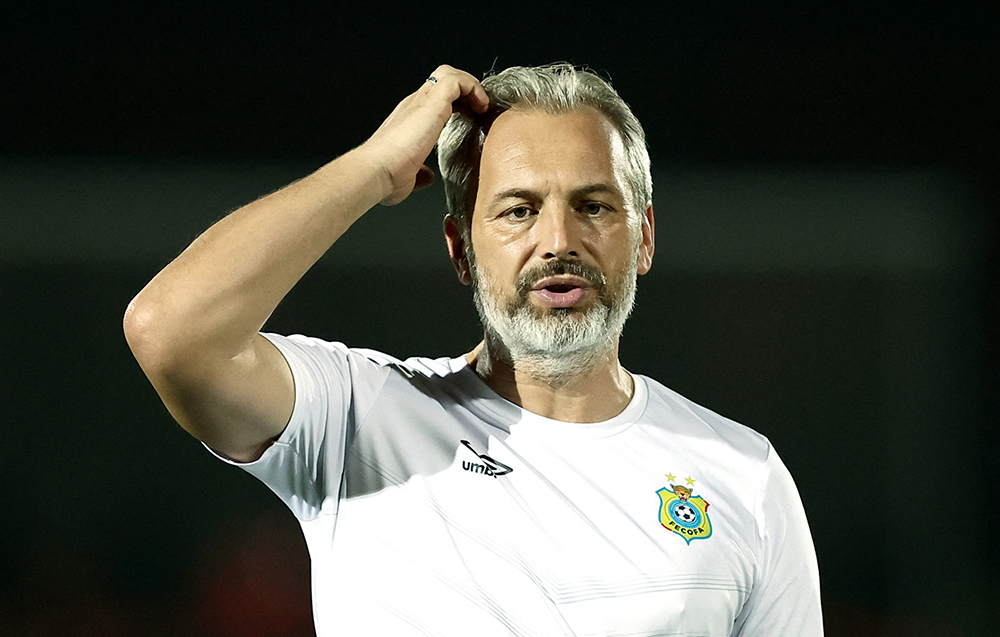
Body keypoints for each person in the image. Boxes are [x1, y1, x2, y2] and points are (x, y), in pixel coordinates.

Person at [124, 63, 823, 636]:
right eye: (519, 210)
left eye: (593, 206)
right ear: (461, 250)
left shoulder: (741, 476)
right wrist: (372, 167)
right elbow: (171, 332)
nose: (558, 242)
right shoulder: (359, 419)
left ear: (642, 238)